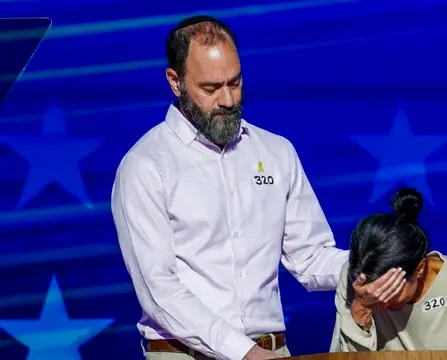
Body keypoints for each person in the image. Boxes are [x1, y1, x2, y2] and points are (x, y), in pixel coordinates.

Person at [111, 15, 348, 360]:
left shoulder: (276, 151)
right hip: (184, 354)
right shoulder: (146, 166)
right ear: (175, 82)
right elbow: (158, 290)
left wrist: (375, 266)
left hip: (272, 351)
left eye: (234, 83)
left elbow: (310, 258)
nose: (226, 100)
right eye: (210, 88)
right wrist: (243, 352)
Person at [329, 188, 447, 352]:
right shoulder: (355, 283)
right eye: (372, 292)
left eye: (389, 289)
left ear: (418, 268)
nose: (378, 298)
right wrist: (361, 308)